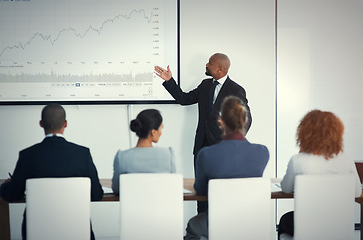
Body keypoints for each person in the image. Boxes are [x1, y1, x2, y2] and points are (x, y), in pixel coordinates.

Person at [0, 103, 104, 240]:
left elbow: (12, 195)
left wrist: (6, 185)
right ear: (65, 124)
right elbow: (96, 194)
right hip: (77, 232)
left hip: (37, 233)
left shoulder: (28, 155)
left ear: (41, 124)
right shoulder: (82, 154)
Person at [184, 96, 269, 240]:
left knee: (193, 225)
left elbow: (201, 190)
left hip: (217, 220)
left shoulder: (206, 154)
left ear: (220, 122)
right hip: (250, 222)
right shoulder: (262, 152)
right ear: (245, 120)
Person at [155, 53, 252, 171]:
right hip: (201, 146)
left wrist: (232, 140)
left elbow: (246, 119)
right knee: (200, 184)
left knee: (218, 184)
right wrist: (169, 80)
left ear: (220, 69)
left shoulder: (236, 90)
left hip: (222, 146)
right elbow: (184, 99)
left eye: (210, 63)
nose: (206, 64)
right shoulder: (205, 85)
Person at [278, 109, 362, 239]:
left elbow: (286, 188)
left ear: (304, 133)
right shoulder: (346, 159)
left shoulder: (298, 160)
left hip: (308, 226)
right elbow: (356, 193)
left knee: (285, 219)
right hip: (339, 226)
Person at [111, 109, 176, 194]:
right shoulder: (168, 155)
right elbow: (173, 186)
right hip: (161, 207)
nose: (161, 132)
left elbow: (116, 189)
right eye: (161, 128)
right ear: (153, 132)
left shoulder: (121, 157)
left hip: (132, 207)